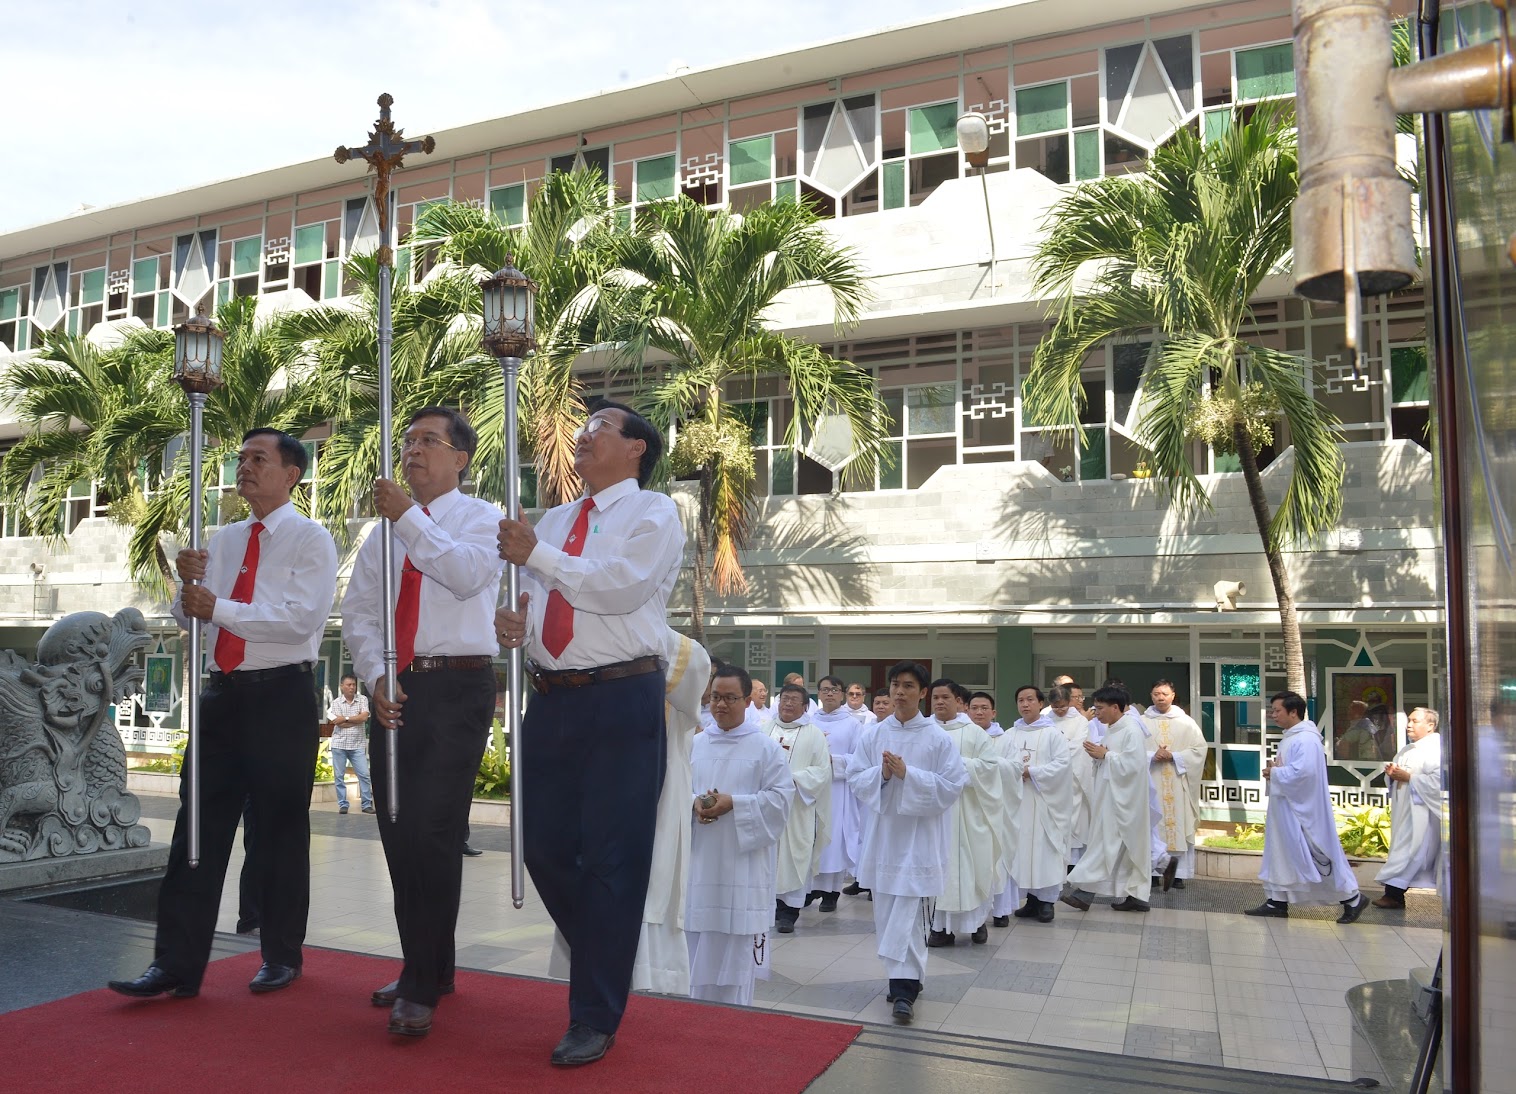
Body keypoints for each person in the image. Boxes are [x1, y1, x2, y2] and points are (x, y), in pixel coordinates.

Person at [109, 429, 337, 1001]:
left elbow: (300, 620)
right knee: (197, 828)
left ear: (292, 474)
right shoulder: (222, 539)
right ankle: (175, 965)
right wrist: (186, 587)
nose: (245, 467)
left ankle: (281, 953)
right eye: (241, 458)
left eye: (259, 459)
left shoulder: (311, 539)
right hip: (223, 696)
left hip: (282, 695)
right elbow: (193, 623)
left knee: (280, 830)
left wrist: (218, 605)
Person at [495, 398, 683, 1067]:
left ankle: (593, 1014)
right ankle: (609, 952)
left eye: (600, 427)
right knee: (541, 847)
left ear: (636, 447)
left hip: (620, 698)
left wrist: (538, 557)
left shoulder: (654, 512)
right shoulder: (554, 519)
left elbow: (620, 589)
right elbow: (538, 599)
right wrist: (515, 629)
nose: (583, 436)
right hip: (552, 699)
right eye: (584, 428)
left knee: (611, 857)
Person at [343, 407, 504, 1039]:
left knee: (433, 831)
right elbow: (359, 611)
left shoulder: (483, 518)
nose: (413, 450)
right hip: (396, 685)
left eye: (428, 441)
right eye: (408, 441)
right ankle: (429, 966)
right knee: (397, 830)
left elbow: (465, 576)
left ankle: (420, 983)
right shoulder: (381, 534)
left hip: (456, 683)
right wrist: (376, 675)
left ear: (461, 457)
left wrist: (407, 517)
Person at [547, 627, 712, 994]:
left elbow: (690, 681)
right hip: (595, 780)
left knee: (649, 879)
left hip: (659, 783)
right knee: (590, 873)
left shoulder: (682, 648)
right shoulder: (589, 636)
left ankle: (647, 981)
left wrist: (629, 636)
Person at [846, 661, 967, 1023]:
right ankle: (906, 977)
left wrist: (908, 774)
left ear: (923, 692)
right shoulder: (873, 735)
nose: (900, 692)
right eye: (895, 685)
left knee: (911, 917)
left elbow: (952, 786)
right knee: (887, 913)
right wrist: (881, 774)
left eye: (908, 686)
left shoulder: (938, 739)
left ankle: (903, 990)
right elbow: (855, 777)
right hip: (884, 839)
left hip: (920, 841)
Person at [686, 664, 794, 1004]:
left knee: (733, 949)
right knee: (694, 943)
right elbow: (668, 792)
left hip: (742, 865)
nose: (720, 705)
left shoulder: (765, 749)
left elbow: (780, 802)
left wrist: (734, 803)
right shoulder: (693, 745)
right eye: (716, 697)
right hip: (698, 862)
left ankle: (733, 1015)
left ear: (747, 701)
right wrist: (693, 804)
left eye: (730, 698)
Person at [1247, 691, 1370, 922]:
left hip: (1302, 812)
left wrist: (1275, 772)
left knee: (1316, 855)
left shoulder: (1306, 739)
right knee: (1283, 853)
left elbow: (1305, 773)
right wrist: (1276, 772)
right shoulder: (1292, 736)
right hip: (1287, 807)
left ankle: (1353, 898)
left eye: (1277, 710)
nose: (1273, 715)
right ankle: (1277, 901)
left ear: (1293, 712)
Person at [1063, 684, 1175, 913]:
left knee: (1106, 846)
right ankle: (1138, 897)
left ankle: (1084, 894)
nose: (1097, 713)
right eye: (1095, 708)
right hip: (1112, 797)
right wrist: (1099, 755)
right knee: (1127, 851)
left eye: (1100, 708)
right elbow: (1114, 760)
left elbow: (1134, 766)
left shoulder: (1131, 729)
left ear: (1116, 707)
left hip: (1125, 802)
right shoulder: (1113, 728)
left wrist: (1106, 755)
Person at [927, 680, 1005, 947]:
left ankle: (977, 923)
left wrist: (955, 765)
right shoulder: (924, 730)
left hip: (969, 812)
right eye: (935, 697)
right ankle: (940, 929)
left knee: (973, 867)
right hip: (934, 813)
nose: (939, 702)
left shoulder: (974, 733)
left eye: (945, 697)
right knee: (939, 868)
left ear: (958, 701)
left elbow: (990, 768)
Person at [1001, 685, 1074, 923]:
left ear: (1040, 703)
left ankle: (1046, 902)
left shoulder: (1053, 734)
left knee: (1045, 849)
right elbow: (1000, 763)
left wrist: (1031, 771)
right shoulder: (1009, 734)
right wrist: (1014, 771)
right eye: (1021, 700)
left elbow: (1063, 765)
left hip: (1045, 802)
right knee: (1021, 850)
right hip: (1018, 802)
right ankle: (1030, 900)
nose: (1025, 704)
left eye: (1030, 700)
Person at [765, 683, 832, 934]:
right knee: (768, 857)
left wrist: (792, 778)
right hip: (768, 806)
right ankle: (767, 906)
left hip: (797, 808)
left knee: (794, 858)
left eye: (794, 700)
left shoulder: (813, 734)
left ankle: (788, 912)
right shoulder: (764, 729)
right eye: (784, 699)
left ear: (805, 706)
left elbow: (822, 772)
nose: (788, 703)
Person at [1374, 707, 1443, 909]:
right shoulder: (1407, 749)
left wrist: (1410, 778)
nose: (1409, 725)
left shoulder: (1436, 749)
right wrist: (1392, 774)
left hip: (1422, 814)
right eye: (1409, 721)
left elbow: (1440, 782)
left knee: (1411, 853)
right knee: (1404, 851)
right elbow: (1397, 776)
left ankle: (1393, 894)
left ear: (1430, 726)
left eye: (1415, 721)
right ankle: (1395, 895)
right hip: (1405, 812)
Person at [1143, 680, 1206, 890]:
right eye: (1156, 693)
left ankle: (1178, 873)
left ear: (1172, 695)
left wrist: (1174, 755)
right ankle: (1152, 871)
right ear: (1151, 696)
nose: (1160, 697)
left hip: (1177, 783)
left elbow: (1199, 750)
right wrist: (1152, 755)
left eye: (1164, 694)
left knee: (1178, 823)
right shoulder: (1142, 722)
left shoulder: (1186, 722)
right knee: (1151, 824)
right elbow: (1132, 751)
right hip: (1151, 781)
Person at [809, 675, 862, 912]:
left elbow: (860, 759)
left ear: (841, 694)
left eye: (834, 690)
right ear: (818, 694)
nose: (829, 694)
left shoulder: (853, 725)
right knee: (811, 837)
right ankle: (810, 889)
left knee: (834, 840)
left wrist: (832, 761)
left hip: (837, 790)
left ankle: (831, 891)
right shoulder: (809, 722)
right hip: (811, 789)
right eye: (825, 689)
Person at [1046, 684, 1093, 866]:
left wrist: (1058, 755)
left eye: (1063, 706)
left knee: (1075, 818)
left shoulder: (1080, 720)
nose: (1059, 710)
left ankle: (1073, 863)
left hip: (1073, 776)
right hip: (1051, 777)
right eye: (1056, 707)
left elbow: (1078, 744)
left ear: (1069, 702)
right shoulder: (1045, 719)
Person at [327, 674, 373, 816]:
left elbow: (364, 717)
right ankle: (343, 804)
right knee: (339, 776)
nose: (352, 687)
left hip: (357, 745)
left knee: (364, 775)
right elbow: (337, 722)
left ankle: (366, 804)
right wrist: (355, 719)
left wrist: (345, 719)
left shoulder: (362, 700)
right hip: (339, 744)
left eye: (353, 684)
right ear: (341, 686)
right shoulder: (335, 703)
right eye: (348, 685)